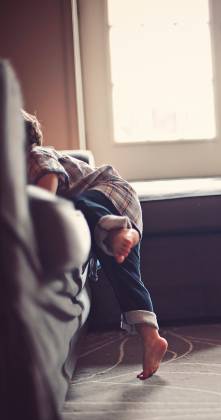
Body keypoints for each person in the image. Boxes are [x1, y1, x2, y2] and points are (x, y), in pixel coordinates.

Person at [22, 109, 168, 380]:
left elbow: (46, 193)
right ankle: (152, 337)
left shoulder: (35, 156)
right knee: (123, 276)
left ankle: (119, 232)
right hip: (109, 217)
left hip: (110, 193)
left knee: (74, 203)